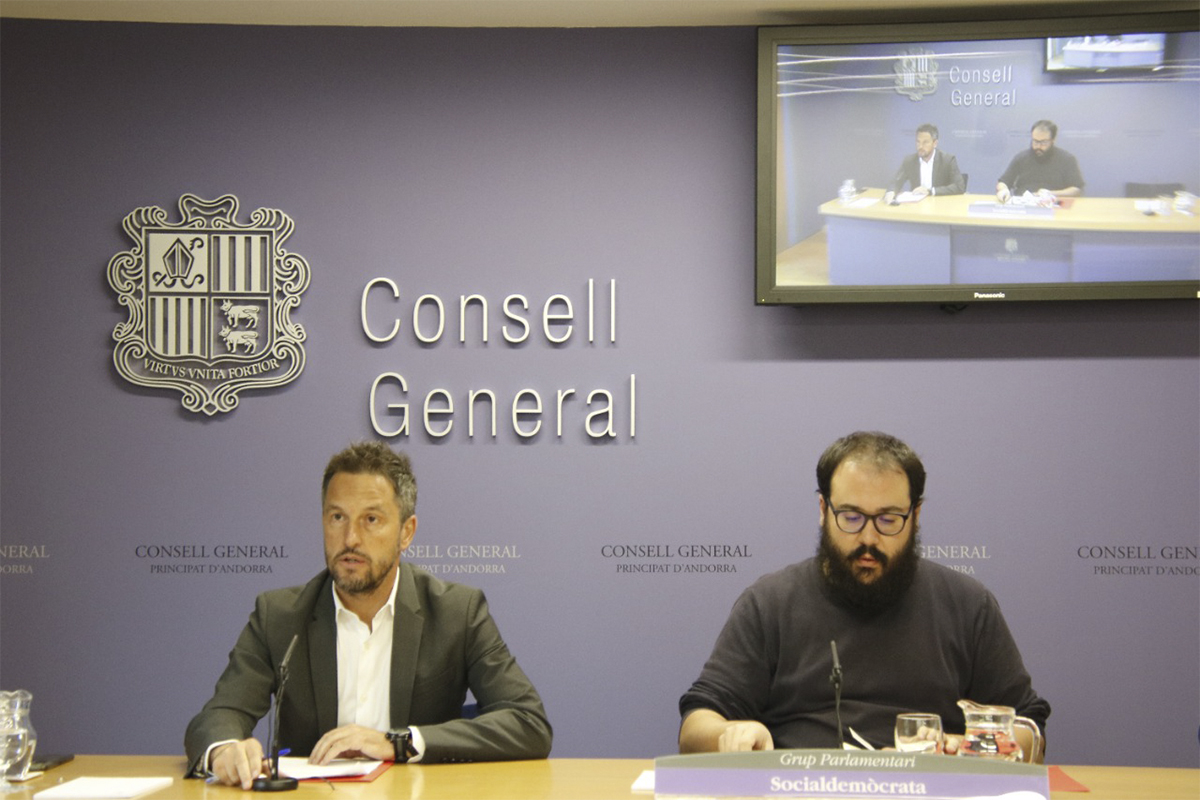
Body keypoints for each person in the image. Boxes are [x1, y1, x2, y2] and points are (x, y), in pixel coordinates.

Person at [186, 442, 552, 788]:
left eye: (371, 519)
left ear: (406, 532)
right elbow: (219, 715)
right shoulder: (279, 616)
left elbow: (527, 721)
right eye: (337, 517)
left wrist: (399, 742)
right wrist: (224, 750)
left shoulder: (457, 612)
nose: (350, 539)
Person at [678, 431, 1049, 760]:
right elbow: (697, 723)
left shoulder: (967, 605)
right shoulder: (769, 603)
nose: (869, 538)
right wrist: (731, 734)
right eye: (851, 517)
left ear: (916, 515)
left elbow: (1029, 728)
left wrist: (969, 747)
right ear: (823, 510)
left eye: (888, 519)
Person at [996, 119, 1084, 202]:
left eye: (1043, 142)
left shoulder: (1067, 159)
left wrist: (1051, 194)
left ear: (1053, 140)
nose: (1038, 146)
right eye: (1035, 141)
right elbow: (1003, 182)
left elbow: (1076, 190)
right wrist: (1003, 190)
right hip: (1024, 204)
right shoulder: (1021, 158)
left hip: (1054, 204)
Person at [882, 124, 966, 203]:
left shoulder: (947, 160)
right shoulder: (910, 161)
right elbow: (896, 181)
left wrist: (930, 191)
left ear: (935, 143)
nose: (920, 146)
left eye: (925, 142)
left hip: (939, 205)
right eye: (918, 142)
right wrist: (891, 192)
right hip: (915, 207)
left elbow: (959, 186)